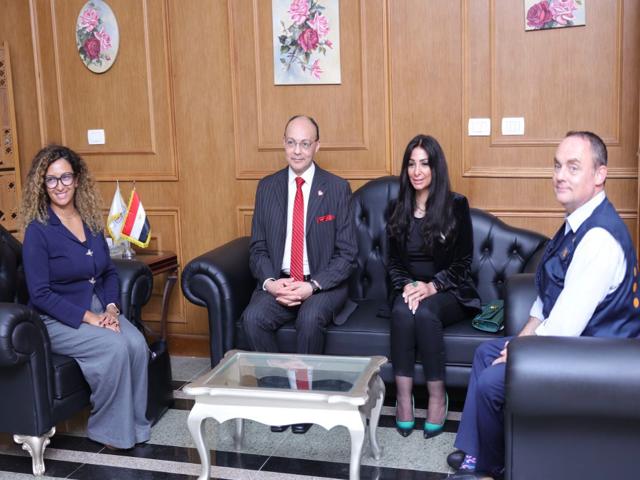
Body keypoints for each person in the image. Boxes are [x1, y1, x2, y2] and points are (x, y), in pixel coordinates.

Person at [448, 131, 640, 480]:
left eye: (573, 167)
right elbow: (546, 300)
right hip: (571, 343)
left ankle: (493, 468)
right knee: (486, 353)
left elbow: (565, 326)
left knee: (493, 382)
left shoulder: (598, 238)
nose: (560, 176)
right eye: (557, 166)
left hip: (596, 356)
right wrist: (517, 342)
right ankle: (475, 454)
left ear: (600, 174)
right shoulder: (576, 223)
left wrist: (518, 353)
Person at [20, 145, 150, 450]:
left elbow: (108, 273)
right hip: (55, 318)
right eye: (51, 179)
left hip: (99, 308)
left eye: (65, 177)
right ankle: (109, 431)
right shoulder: (38, 231)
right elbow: (40, 294)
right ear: (42, 185)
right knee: (115, 347)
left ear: (77, 179)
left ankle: (135, 426)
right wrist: (91, 318)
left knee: (136, 344)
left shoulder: (90, 221)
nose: (59, 185)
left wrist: (112, 309)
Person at [241, 115, 357, 433]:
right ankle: (280, 398)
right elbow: (257, 248)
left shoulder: (336, 188)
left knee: (310, 317)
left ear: (317, 146)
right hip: (280, 280)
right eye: (291, 143)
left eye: (305, 144)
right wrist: (271, 283)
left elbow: (347, 254)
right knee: (253, 318)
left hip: (322, 284)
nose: (297, 151)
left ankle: (305, 403)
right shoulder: (267, 187)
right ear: (283, 143)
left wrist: (313, 286)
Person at [387, 134, 481, 439]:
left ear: (436, 168)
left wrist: (432, 286)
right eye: (411, 164)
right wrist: (408, 285)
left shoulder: (456, 205)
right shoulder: (397, 206)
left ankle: (438, 398)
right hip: (409, 288)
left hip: (449, 291)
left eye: (424, 164)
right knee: (402, 313)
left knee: (426, 314)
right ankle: (403, 400)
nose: (417, 171)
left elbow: (463, 262)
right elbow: (393, 261)